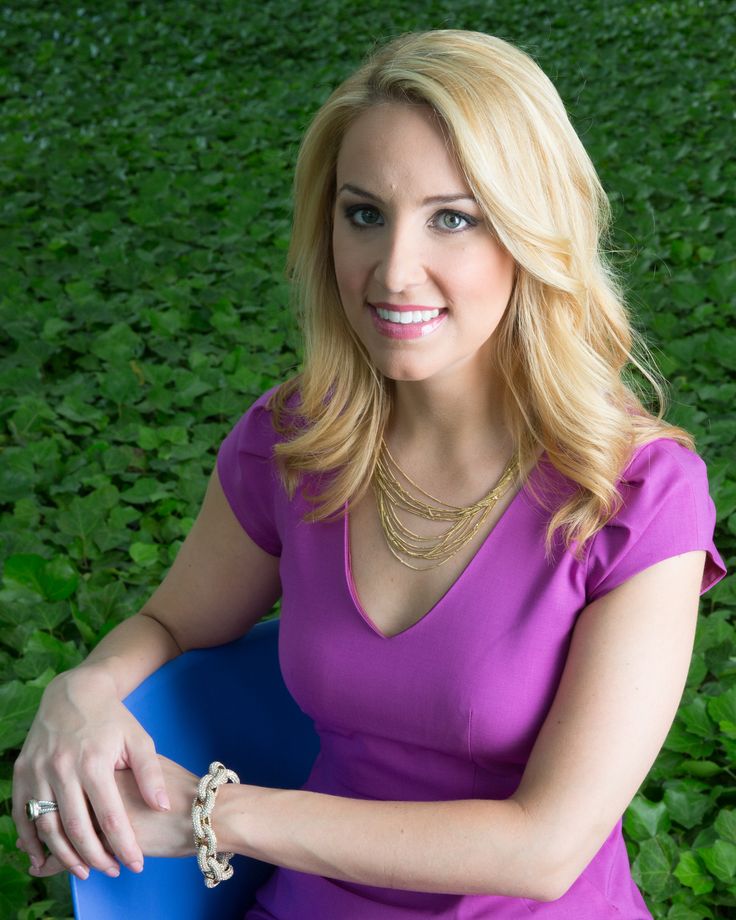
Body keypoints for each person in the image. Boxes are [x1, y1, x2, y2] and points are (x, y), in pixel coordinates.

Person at [13, 29, 726, 918]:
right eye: (364, 213)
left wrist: (213, 816)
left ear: (532, 232)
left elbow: (544, 848)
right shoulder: (296, 442)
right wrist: (80, 690)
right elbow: (169, 620)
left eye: (452, 218)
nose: (393, 271)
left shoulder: (637, 495)